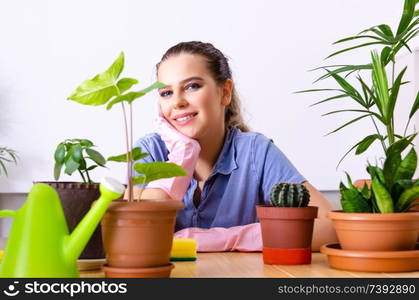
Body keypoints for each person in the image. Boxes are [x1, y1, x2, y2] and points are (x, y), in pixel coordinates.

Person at [127, 41, 337, 252]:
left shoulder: (255, 152)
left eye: (192, 86)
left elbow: (330, 227)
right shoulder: (150, 151)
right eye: (166, 93)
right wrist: (183, 154)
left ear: (225, 92)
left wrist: (227, 238)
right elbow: (134, 234)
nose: (177, 102)